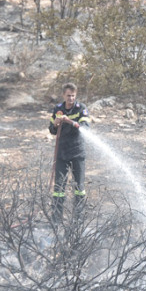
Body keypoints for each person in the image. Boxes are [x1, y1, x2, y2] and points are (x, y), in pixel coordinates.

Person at [49, 82, 91, 222]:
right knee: (59, 187)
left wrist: (69, 121)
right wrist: (56, 123)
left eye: (73, 96)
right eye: (68, 96)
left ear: (76, 95)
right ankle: (56, 217)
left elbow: (85, 127)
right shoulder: (58, 109)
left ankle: (78, 217)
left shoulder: (81, 109)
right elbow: (52, 129)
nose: (71, 99)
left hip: (77, 152)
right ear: (63, 95)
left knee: (79, 186)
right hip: (61, 153)